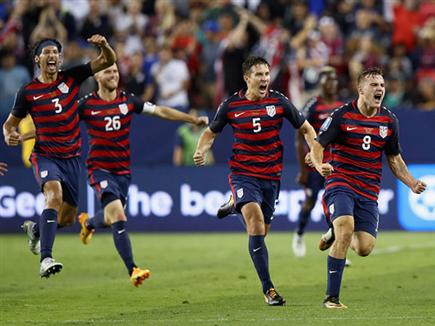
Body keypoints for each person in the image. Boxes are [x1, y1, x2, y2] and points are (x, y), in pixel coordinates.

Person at [193, 56, 317, 306]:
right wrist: (202, 149)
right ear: (247, 78)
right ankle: (268, 289)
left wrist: (314, 151)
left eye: (266, 74)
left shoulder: (279, 101)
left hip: (271, 176)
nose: (264, 79)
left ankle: (233, 204)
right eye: (258, 74)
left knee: (261, 231)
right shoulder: (231, 105)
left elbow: (307, 128)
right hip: (243, 173)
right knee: (256, 223)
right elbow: (211, 131)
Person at [77, 63, 208, 287]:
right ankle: (133, 269)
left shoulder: (128, 101)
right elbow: (59, 123)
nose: (113, 75)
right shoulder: (86, 104)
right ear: (97, 75)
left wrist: (191, 119)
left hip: (123, 172)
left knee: (110, 217)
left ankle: (89, 222)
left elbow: (160, 110)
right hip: (99, 169)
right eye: (108, 71)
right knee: (118, 215)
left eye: (116, 71)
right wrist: (26, 134)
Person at [310, 67, 427, 309]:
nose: (380, 89)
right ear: (360, 89)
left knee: (364, 248)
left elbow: (394, 159)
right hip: (340, 181)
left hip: (368, 190)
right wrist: (320, 163)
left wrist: (412, 182)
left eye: (382, 85)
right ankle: (331, 298)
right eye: (374, 85)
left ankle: (333, 231)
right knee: (346, 229)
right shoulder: (341, 115)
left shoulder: (389, 120)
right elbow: (318, 144)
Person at [2, 35, 116, 278]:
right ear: (37, 59)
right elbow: (9, 125)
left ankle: (36, 232)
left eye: (56, 52)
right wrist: (9, 135)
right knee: (53, 196)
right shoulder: (29, 92)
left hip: (72, 158)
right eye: (47, 52)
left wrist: (104, 45)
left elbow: (108, 60)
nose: (52, 55)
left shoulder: (72, 78)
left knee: (67, 218)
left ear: (60, 58)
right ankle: (46, 258)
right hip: (45, 156)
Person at [292, 66, 343, 257]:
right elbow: (299, 136)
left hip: (336, 163)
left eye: (334, 79)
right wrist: (303, 169)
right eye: (327, 79)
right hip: (315, 163)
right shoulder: (313, 105)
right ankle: (298, 235)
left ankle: (338, 244)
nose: (331, 83)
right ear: (320, 82)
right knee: (311, 201)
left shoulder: (341, 106)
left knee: (337, 201)